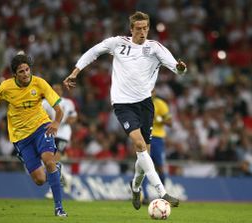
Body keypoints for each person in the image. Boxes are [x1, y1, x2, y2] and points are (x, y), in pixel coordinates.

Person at [63, 11, 186, 209]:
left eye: (146, 28)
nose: (143, 32)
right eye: (139, 28)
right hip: (122, 103)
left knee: (144, 151)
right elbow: (93, 52)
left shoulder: (155, 48)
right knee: (138, 145)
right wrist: (75, 72)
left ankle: (135, 187)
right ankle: (162, 192)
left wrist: (181, 68)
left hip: (145, 103)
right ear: (131, 29)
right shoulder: (117, 43)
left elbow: (176, 67)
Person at [0, 54, 68, 217]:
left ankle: (59, 208)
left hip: (41, 128)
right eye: (21, 71)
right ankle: (55, 170)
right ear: (14, 74)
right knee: (39, 180)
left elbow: (59, 109)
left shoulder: (40, 83)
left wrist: (56, 123)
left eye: (27, 70)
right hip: (21, 137)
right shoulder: (6, 87)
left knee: (49, 160)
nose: (25, 74)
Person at [42, 83, 77, 195]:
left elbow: (73, 116)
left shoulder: (68, 103)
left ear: (62, 91)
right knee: (48, 161)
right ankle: (65, 176)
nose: (56, 91)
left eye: (58, 89)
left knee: (55, 160)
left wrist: (66, 121)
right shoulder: (45, 103)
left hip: (63, 134)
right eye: (54, 89)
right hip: (50, 134)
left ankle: (52, 190)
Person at [142, 91, 172, 203]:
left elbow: (170, 122)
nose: (150, 92)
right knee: (144, 166)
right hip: (144, 137)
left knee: (159, 167)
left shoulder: (160, 104)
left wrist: (160, 119)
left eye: (152, 90)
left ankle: (162, 194)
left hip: (157, 139)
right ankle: (144, 196)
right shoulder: (141, 103)